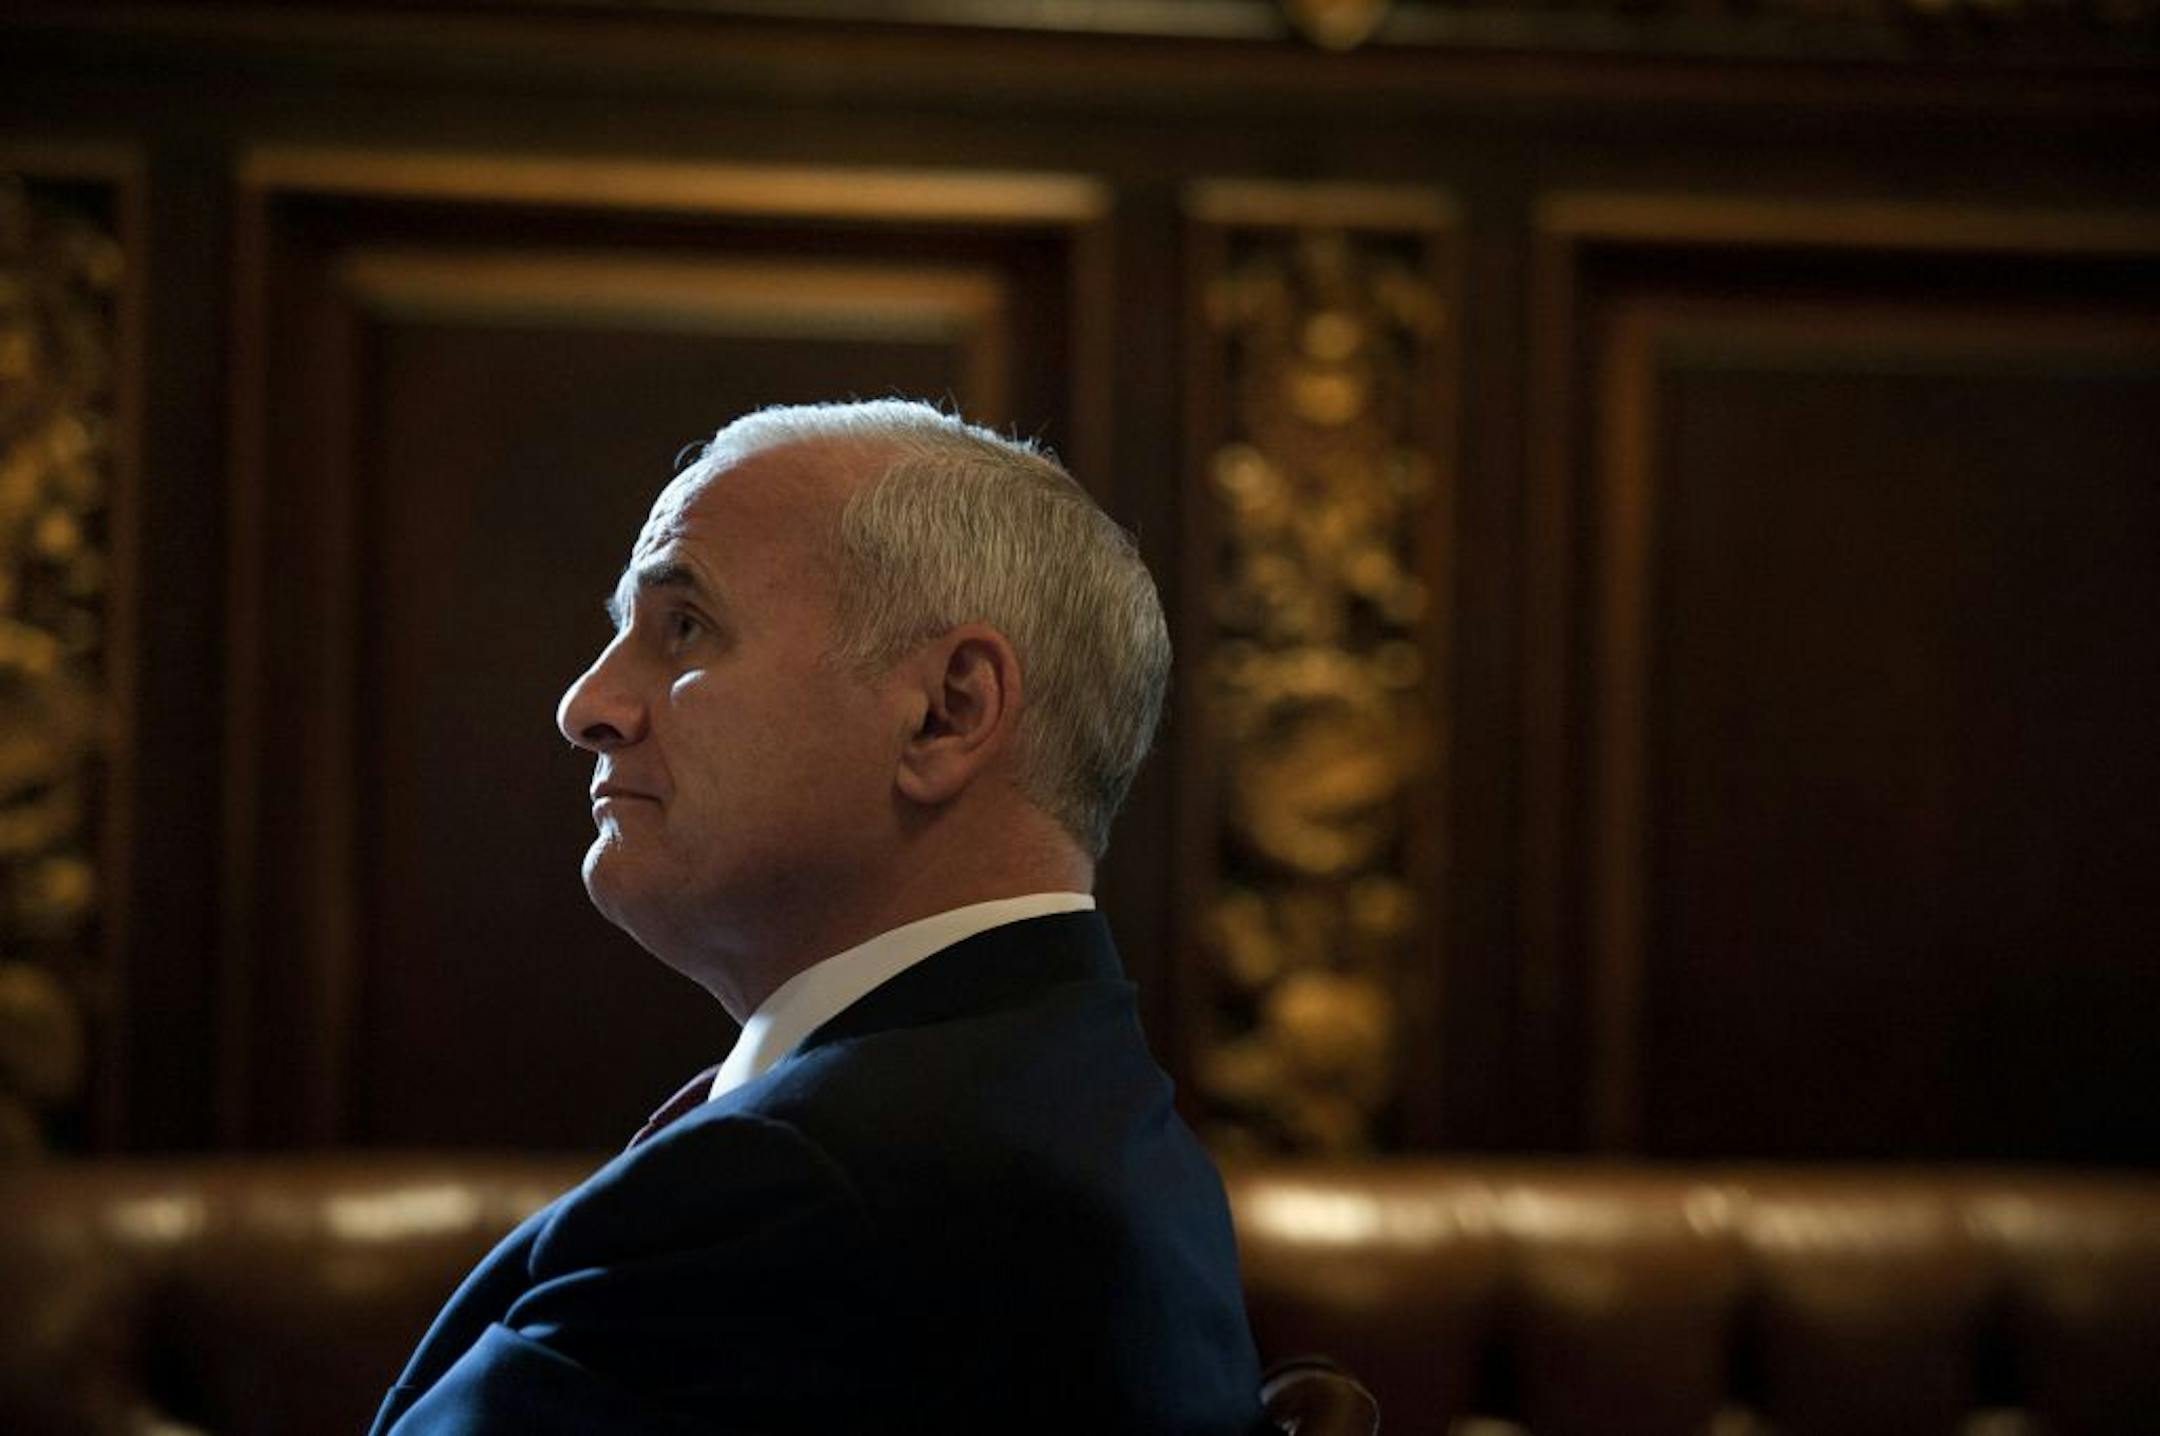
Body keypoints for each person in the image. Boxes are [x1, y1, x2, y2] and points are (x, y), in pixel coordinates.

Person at [368, 400, 1267, 1435]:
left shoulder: (811, 1195)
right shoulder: (1101, 1110)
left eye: (685, 627)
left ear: (948, 711)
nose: (588, 702)